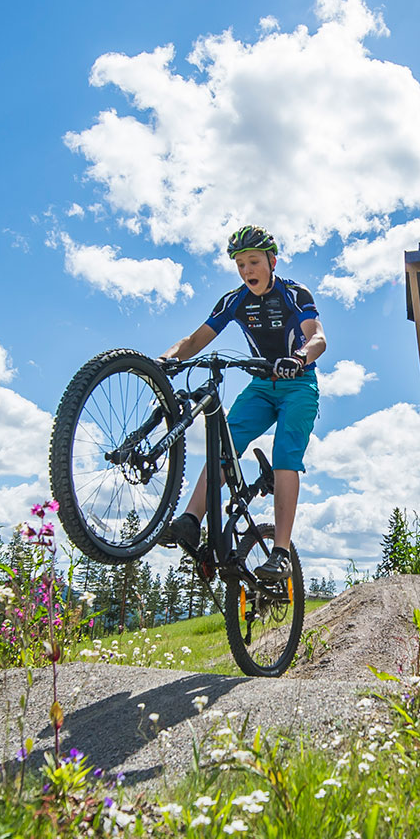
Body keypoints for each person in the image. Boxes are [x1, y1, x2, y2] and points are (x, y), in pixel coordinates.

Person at [156, 225, 326, 579]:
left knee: (285, 456)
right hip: (261, 387)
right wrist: (164, 360)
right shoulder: (235, 301)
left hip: (298, 384)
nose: (247, 270)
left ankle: (280, 552)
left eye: (253, 262)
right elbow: (194, 339)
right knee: (223, 446)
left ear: (272, 261)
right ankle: (191, 519)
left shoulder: (294, 293)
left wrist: (298, 358)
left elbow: (318, 338)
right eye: (240, 265)